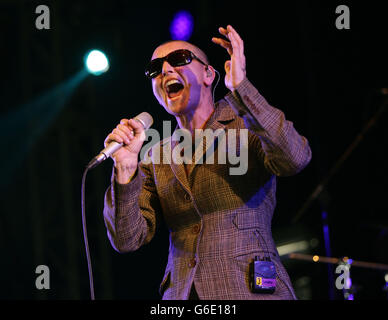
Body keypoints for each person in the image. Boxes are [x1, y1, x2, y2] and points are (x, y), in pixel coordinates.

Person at [102, 25, 312, 300]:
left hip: (248, 289)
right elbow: (127, 240)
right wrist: (125, 167)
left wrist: (241, 88)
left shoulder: (247, 125)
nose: (165, 70)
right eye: (155, 69)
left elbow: (295, 158)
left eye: (178, 60)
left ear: (209, 74)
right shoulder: (156, 155)